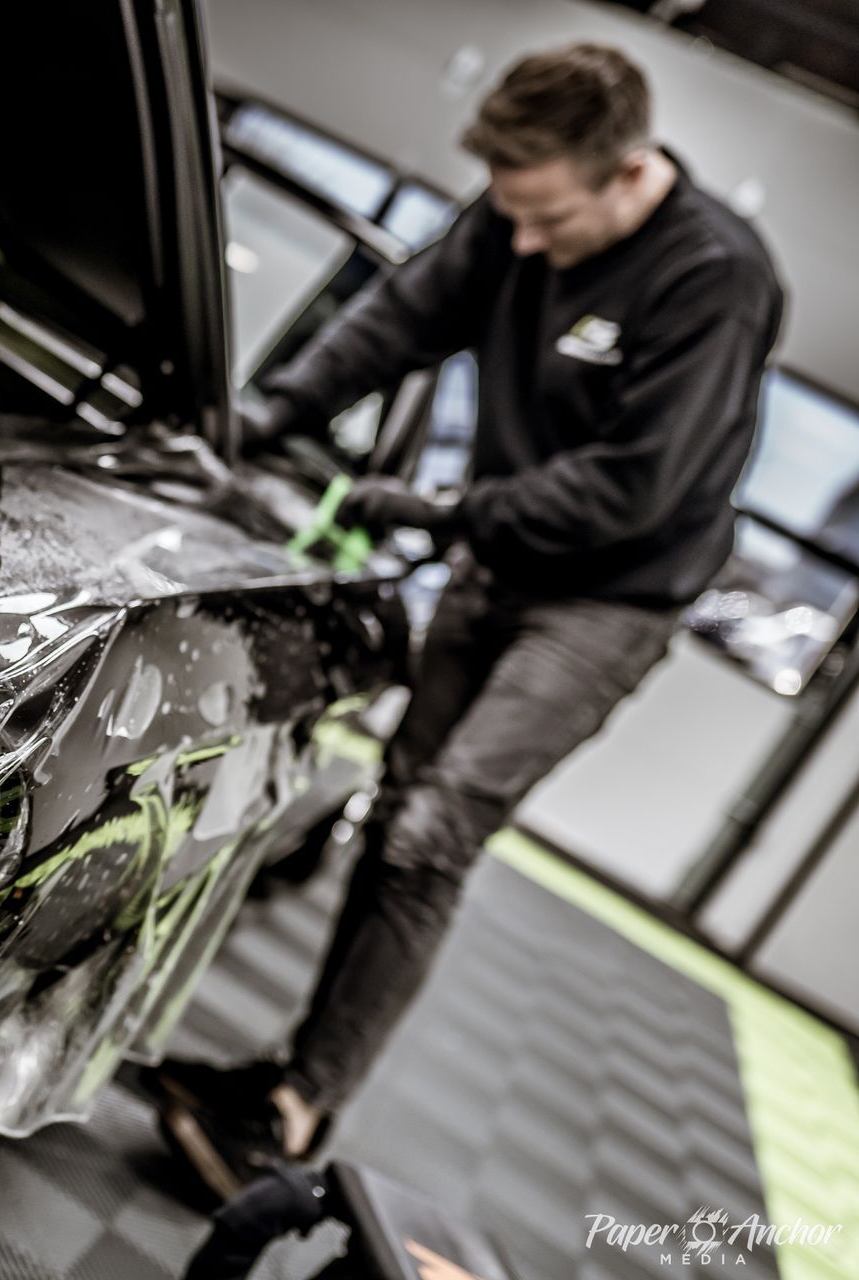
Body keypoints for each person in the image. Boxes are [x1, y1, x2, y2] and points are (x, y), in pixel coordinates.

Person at [151, 41, 785, 1200]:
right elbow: (398, 319)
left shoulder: (714, 277)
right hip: (502, 559)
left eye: (548, 220)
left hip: (608, 597)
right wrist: (257, 416)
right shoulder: (514, 213)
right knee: (397, 800)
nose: (523, 245)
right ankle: (287, 1083)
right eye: (510, 214)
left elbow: (631, 486)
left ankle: (296, 1107)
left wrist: (442, 509)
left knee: (436, 827)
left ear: (628, 171)